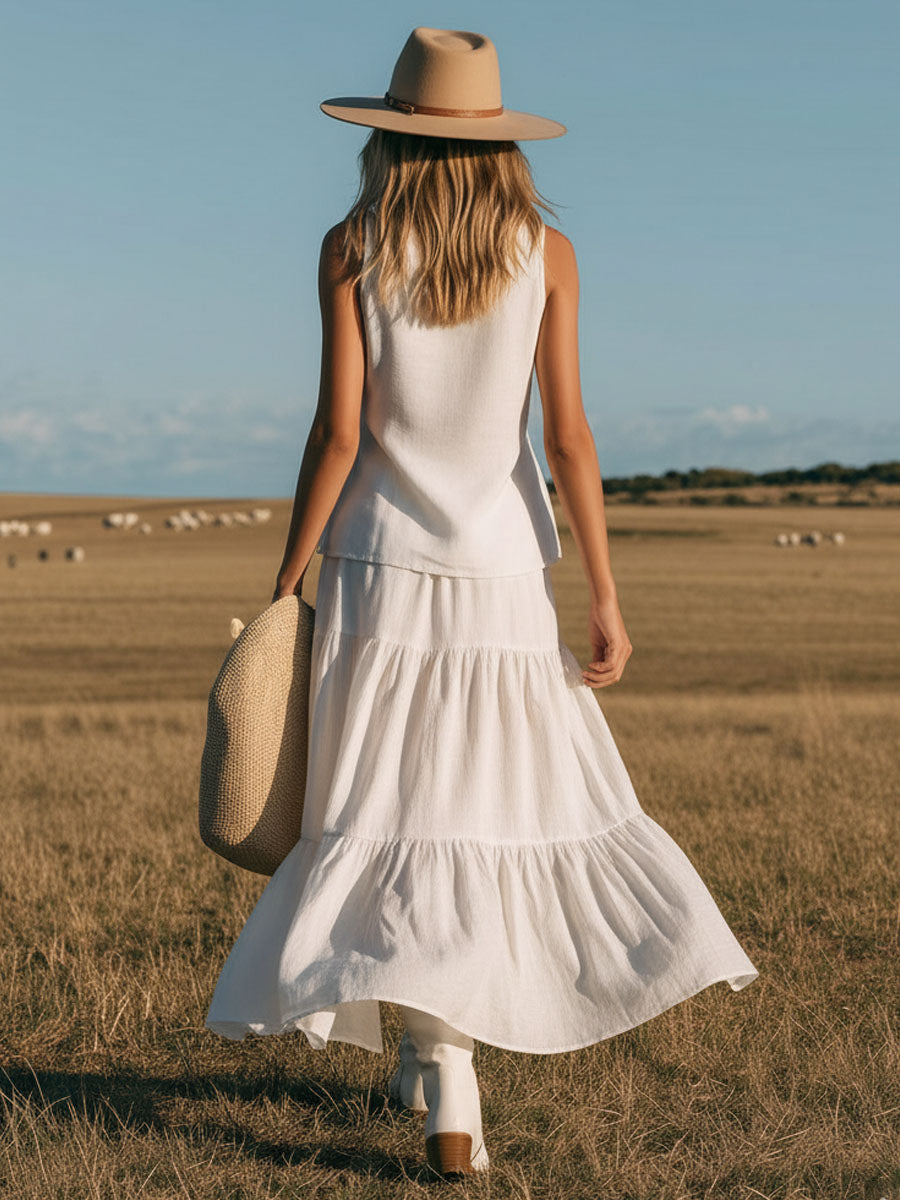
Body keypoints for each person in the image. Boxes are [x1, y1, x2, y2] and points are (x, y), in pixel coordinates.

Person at [204, 26, 759, 1179]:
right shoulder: (547, 252)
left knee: (389, 812)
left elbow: (339, 434)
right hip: (504, 579)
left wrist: (286, 580)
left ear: (391, 136)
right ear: (501, 141)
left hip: (377, 572)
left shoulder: (352, 246)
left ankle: (443, 1064)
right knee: (477, 812)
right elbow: (569, 437)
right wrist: (604, 591)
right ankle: (436, 1061)